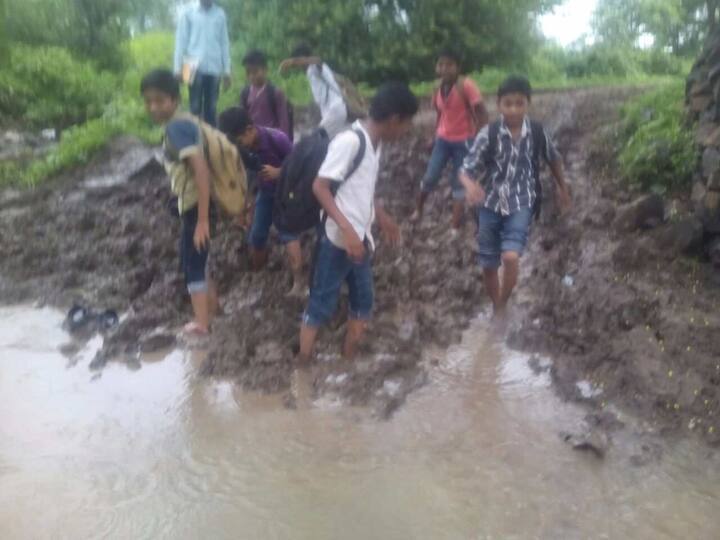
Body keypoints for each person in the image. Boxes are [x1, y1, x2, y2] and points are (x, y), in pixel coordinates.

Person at [298, 82, 419, 364]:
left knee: (364, 302)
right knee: (321, 304)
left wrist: (381, 216)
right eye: (406, 124)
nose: (406, 131)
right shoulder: (351, 141)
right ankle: (302, 366)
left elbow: (362, 186)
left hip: (359, 240)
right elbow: (320, 187)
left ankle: (348, 361)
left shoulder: (376, 145)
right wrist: (348, 230)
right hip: (337, 240)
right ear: (394, 120)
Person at [459, 75, 572, 318]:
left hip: (522, 201)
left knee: (510, 256)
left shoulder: (537, 132)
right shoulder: (488, 134)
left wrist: (562, 187)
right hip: (489, 204)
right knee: (489, 264)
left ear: (528, 104)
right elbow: (466, 169)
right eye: (508, 104)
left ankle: (502, 303)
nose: (513, 109)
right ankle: (496, 305)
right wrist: (469, 186)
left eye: (519, 103)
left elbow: (553, 158)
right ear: (498, 104)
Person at [141, 69, 219, 336]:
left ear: (174, 100)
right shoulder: (184, 122)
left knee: (193, 265)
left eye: (160, 101)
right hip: (197, 205)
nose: (154, 107)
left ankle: (202, 324)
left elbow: (201, 170)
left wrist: (202, 220)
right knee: (197, 259)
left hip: (197, 206)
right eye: (149, 101)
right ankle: (212, 309)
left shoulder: (176, 128)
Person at [218, 107, 306, 295]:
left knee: (288, 234)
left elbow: (300, 167)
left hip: (286, 194)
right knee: (256, 235)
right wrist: (245, 207)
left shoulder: (277, 139)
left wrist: (278, 172)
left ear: (249, 130)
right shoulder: (242, 148)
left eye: (239, 141)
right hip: (265, 193)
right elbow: (246, 177)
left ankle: (299, 282)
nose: (239, 146)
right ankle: (257, 275)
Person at [412, 48, 489, 229]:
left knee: (458, 183)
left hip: (464, 142)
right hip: (443, 140)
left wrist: (480, 139)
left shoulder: (466, 86)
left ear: (458, 67)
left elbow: (482, 113)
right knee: (430, 177)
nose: (444, 69)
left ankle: (455, 226)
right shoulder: (437, 88)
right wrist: (435, 135)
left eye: (449, 65)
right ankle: (418, 209)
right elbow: (440, 114)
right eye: (441, 65)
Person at [173, 0, 231, 126]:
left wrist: (227, 71)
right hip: (190, 65)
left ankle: (210, 136)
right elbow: (181, 40)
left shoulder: (220, 14)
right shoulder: (188, 12)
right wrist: (177, 69)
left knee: (211, 108)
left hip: (215, 65)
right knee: (194, 106)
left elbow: (224, 42)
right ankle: (194, 135)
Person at [279, 44, 349, 139]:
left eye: (298, 62)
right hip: (331, 112)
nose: (298, 66)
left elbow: (318, 60)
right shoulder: (310, 72)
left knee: (315, 138)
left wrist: (293, 61)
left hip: (335, 109)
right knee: (329, 141)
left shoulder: (316, 67)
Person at [240, 49, 293, 140]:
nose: (251, 76)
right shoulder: (245, 93)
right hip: (253, 141)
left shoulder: (275, 93)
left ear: (265, 70)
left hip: (272, 140)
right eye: (248, 72)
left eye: (255, 72)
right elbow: (242, 121)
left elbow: (284, 124)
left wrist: (283, 143)